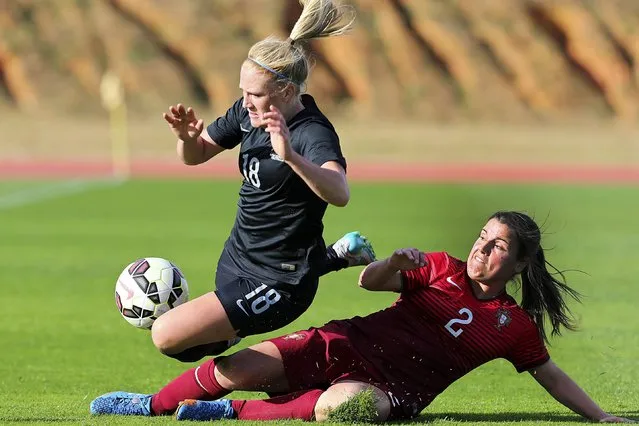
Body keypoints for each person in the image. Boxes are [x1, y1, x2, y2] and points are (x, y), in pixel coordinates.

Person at [90, 211, 635, 423]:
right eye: (483, 237)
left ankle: (230, 414)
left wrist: (601, 418)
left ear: (517, 265)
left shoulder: (511, 325)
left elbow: (550, 374)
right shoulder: (438, 267)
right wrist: (392, 263)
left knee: (343, 410)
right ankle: (151, 405)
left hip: (396, 389)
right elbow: (367, 281)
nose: (482, 249)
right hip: (345, 343)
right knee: (238, 365)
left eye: (498, 247)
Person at [149, 0, 375, 363]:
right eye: (243, 91)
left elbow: (340, 192)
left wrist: (291, 157)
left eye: (255, 94)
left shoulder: (311, 132)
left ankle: (324, 261)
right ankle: (334, 255)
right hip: (236, 259)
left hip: (280, 282)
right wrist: (188, 138)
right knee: (189, 351)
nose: (245, 101)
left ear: (286, 91)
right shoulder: (247, 113)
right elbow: (196, 155)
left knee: (166, 335)